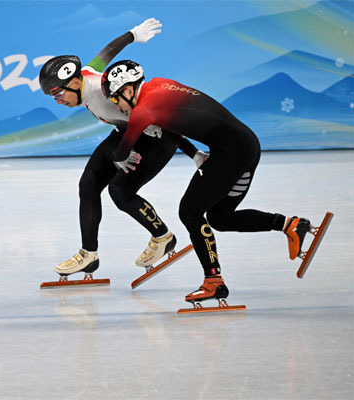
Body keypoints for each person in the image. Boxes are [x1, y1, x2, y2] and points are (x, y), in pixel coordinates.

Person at [100, 59, 312, 304]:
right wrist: (194, 154)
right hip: (246, 145)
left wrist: (116, 129)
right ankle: (290, 225)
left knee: (190, 211)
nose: (118, 106)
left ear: (127, 89)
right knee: (220, 218)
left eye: (116, 99)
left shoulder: (142, 111)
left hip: (231, 153)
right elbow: (175, 123)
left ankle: (214, 283)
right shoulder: (160, 85)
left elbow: (121, 152)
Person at [39, 19, 207, 279]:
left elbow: (163, 119)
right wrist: (132, 35)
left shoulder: (106, 95)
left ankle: (164, 237)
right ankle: (88, 255)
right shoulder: (85, 76)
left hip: (159, 137)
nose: (58, 102)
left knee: (120, 192)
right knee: (89, 184)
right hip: (127, 132)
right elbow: (106, 53)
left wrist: (193, 153)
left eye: (58, 95)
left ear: (72, 84)